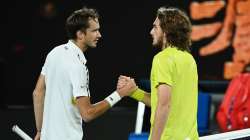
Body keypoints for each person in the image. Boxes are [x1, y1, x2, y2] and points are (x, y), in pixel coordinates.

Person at [33, 7, 136, 140]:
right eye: (94, 31)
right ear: (80, 34)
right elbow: (87, 114)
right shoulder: (77, 66)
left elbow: (38, 93)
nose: (99, 35)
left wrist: (40, 131)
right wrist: (119, 94)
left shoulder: (54, 53)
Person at [118, 6, 199, 140]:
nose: (151, 31)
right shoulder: (189, 59)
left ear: (166, 31)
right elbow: (163, 101)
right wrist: (134, 91)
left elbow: (164, 104)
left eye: (155, 27)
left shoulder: (162, 59)